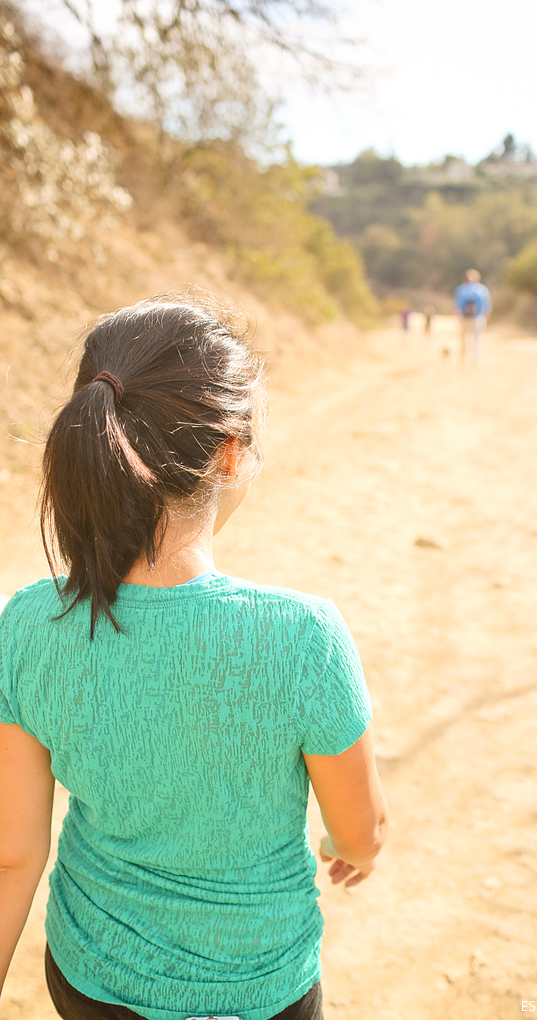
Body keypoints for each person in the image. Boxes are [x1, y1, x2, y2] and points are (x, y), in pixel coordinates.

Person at [0, 294, 388, 1020]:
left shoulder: (28, 623)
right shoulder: (303, 636)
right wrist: (352, 849)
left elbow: (12, 858)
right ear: (231, 451)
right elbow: (361, 830)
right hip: (260, 992)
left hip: (89, 981)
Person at [454, 269, 492, 365]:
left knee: (463, 340)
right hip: (478, 318)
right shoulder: (483, 290)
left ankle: (462, 359)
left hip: (465, 318)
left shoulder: (461, 289)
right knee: (477, 340)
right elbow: (487, 306)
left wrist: (459, 318)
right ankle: (475, 361)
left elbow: (458, 306)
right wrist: (486, 319)